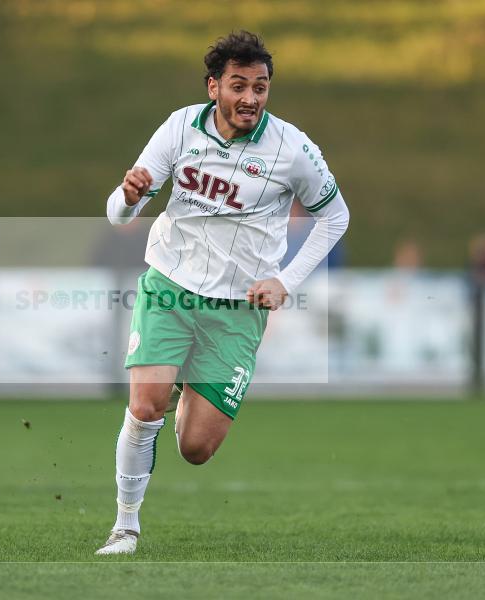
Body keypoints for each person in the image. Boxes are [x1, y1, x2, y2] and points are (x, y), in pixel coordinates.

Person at [98, 31, 350, 554]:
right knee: (144, 407)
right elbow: (121, 213)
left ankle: (182, 385)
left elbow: (335, 217)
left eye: (261, 87)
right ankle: (125, 526)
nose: (251, 98)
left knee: (196, 449)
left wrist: (285, 280)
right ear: (214, 87)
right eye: (239, 86)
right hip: (169, 284)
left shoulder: (293, 149)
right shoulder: (178, 128)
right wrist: (127, 199)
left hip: (238, 306)